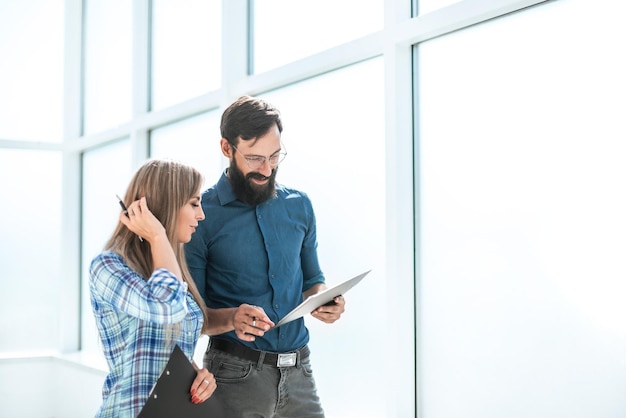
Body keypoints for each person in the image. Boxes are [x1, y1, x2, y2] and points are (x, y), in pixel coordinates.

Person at [185, 95, 345, 417]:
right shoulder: (200, 214)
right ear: (227, 149)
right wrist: (232, 318)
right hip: (233, 375)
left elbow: (313, 280)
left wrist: (324, 299)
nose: (267, 168)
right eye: (255, 158)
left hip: (300, 372)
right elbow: (191, 315)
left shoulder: (299, 206)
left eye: (275, 156)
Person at [89, 159, 217, 417]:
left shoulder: (168, 269)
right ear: (165, 206)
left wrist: (198, 377)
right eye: (193, 204)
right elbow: (166, 308)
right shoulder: (107, 267)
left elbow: (169, 343)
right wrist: (158, 235)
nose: (201, 215)